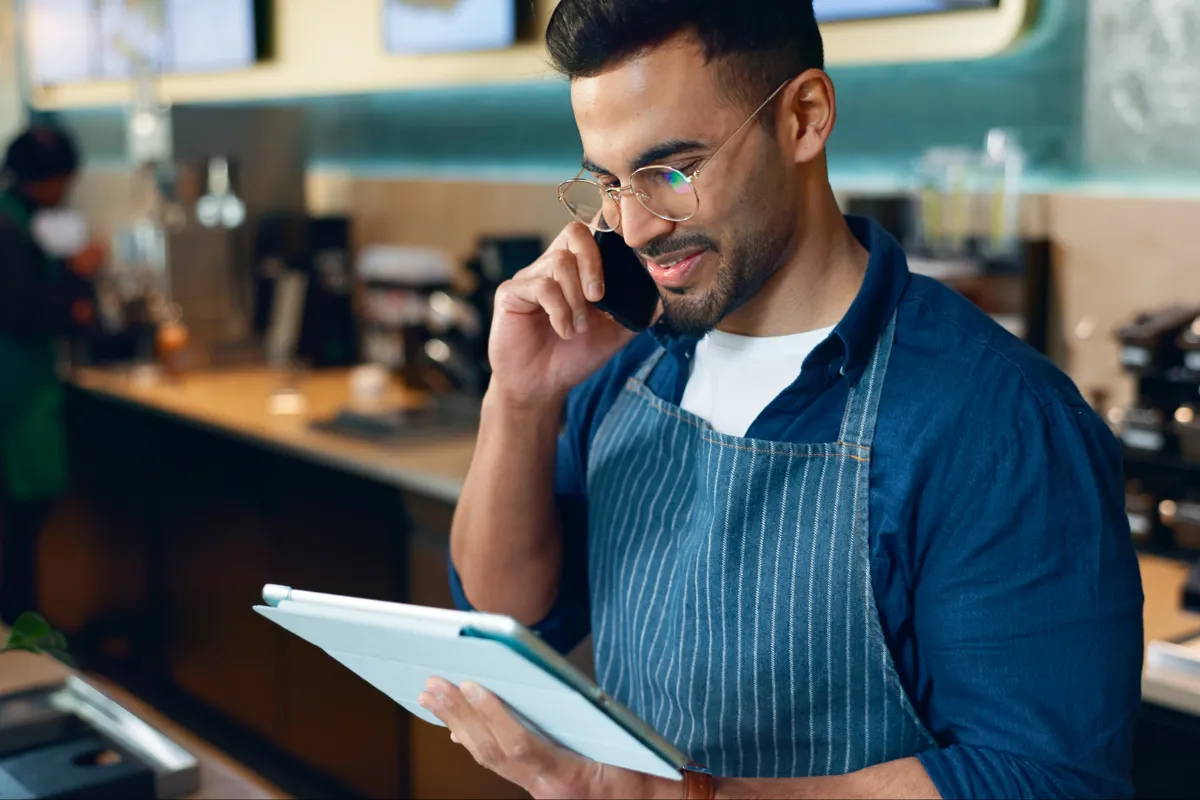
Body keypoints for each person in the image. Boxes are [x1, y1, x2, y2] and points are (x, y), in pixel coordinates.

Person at [433, 1, 1145, 798]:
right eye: (607, 182)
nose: (632, 228)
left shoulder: (998, 423)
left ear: (804, 117)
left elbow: (1042, 779)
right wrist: (520, 401)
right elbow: (513, 617)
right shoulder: (616, 360)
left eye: (672, 172)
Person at [0, 124, 103, 625]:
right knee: (18, 534)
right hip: (14, 403)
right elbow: (24, 314)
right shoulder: (9, 229)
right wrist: (78, 277)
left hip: (22, 397)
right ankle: (24, 639)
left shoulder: (18, 222)